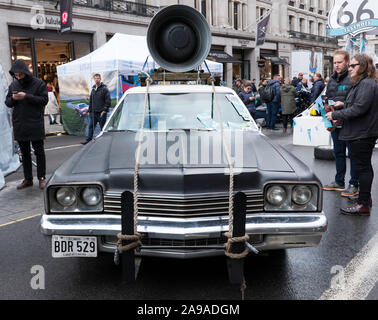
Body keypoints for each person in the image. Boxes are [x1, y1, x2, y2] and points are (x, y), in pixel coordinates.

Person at [326, 53, 378, 215]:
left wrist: (336, 115)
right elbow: (357, 104)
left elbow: (360, 108)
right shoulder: (362, 83)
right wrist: (344, 103)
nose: (350, 68)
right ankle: (364, 198)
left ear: (363, 67)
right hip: (360, 131)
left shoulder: (367, 84)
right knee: (363, 167)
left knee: (363, 169)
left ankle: (363, 204)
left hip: (362, 132)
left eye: (353, 65)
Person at [5, 59, 48, 190]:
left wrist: (26, 96)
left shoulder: (39, 83)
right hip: (20, 123)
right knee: (24, 154)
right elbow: (7, 102)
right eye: (16, 75)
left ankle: (42, 178)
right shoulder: (13, 85)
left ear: (25, 72)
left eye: (20, 74)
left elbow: (44, 100)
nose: (18, 77)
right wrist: (12, 98)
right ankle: (28, 179)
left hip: (35, 122)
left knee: (39, 152)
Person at [323, 50, 358, 198]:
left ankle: (354, 184)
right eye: (335, 62)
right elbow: (328, 97)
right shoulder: (331, 79)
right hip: (335, 121)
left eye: (339, 62)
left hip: (349, 122)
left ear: (347, 62)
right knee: (338, 153)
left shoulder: (353, 78)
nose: (336, 65)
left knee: (353, 154)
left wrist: (342, 104)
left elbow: (357, 102)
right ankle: (339, 182)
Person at [82, 73, 111, 145]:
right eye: (95, 78)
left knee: (103, 128)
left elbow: (108, 101)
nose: (96, 79)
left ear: (100, 79)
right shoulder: (93, 89)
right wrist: (89, 110)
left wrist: (104, 110)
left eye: (98, 78)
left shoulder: (104, 89)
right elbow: (91, 101)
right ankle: (88, 140)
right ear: (93, 79)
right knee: (91, 126)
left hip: (101, 113)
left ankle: (105, 141)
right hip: (94, 113)